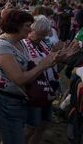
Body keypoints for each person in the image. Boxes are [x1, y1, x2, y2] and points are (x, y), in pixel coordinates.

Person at [0, 9, 66, 144]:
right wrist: (43, 65)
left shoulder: (20, 42)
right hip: (7, 101)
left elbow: (28, 68)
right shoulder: (1, 46)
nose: (30, 30)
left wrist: (55, 59)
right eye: (27, 25)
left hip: (20, 99)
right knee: (14, 139)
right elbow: (19, 79)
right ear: (16, 25)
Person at [22, 15, 79, 144]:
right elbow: (37, 67)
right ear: (31, 30)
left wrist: (65, 58)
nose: (42, 37)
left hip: (47, 91)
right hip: (33, 93)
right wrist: (56, 58)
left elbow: (54, 69)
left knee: (43, 125)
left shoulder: (42, 44)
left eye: (44, 35)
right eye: (40, 34)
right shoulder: (24, 45)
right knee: (30, 127)